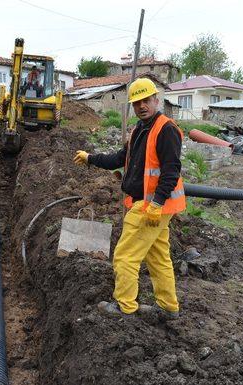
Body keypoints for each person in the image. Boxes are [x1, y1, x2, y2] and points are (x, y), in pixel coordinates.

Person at [73, 77, 186, 320]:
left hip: (150, 207)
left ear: (156, 99)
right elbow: (119, 159)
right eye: (137, 102)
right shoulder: (139, 130)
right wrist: (91, 158)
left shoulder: (166, 129)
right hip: (153, 207)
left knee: (125, 256)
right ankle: (168, 306)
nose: (142, 106)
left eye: (146, 100)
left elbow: (171, 170)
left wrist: (156, 204)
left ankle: (125, 306)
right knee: (158, 256)